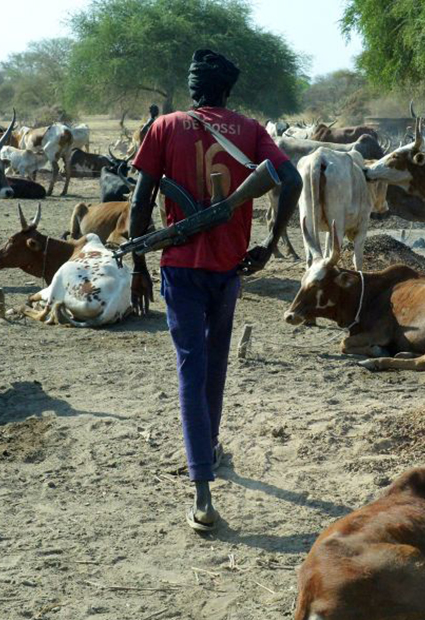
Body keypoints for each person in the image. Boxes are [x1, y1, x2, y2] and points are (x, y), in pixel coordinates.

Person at [128, 49, 302, 532]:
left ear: (194, 89)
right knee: (214, 365)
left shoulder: (164, 127)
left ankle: (202, 491)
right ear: (226, 91)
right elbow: (291, 179)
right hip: (228, 269)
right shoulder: (248, 129)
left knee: (191, 367)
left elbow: (141, 201)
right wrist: (268, 244)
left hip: (180, 268)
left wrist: (140, 263)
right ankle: (209, 451)